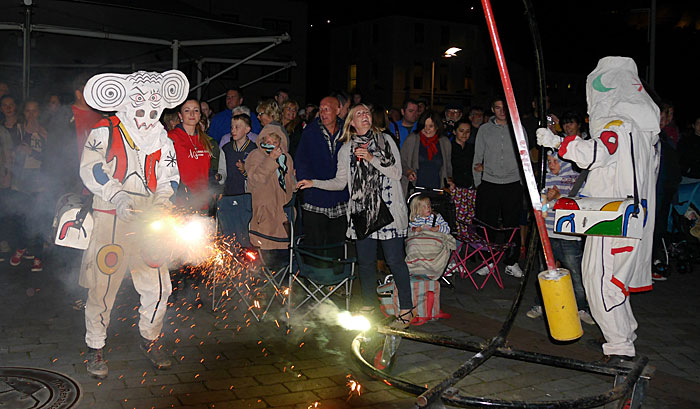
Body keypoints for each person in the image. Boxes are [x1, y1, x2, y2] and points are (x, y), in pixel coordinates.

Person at [537, 57, 659, 363]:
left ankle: (619, 347)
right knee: (613, 281)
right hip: (627, 218)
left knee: (599, 281)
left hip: (611, 219)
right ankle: (623, 333)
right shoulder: (645, 136)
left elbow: (596, 153)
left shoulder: (619, 126)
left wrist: (556, 141)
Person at [78, 70, 187, 378]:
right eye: (140, 106)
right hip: (110, 216)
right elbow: (92, 169)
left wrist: (161, 205)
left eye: (154, 108)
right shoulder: (105, 130)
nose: (146, 115)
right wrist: (119, 197)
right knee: (103, 284)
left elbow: (170, 178)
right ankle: (96, 345)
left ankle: (150, 338)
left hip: (147, 221)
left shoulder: (163, 139)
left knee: (159, 285)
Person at [297, 104, 415, 329]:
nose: (365, 116)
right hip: (362, 212)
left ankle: (406, 308)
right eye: (359, 114)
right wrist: (314, 183)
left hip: (388, 211)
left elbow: (396, 172)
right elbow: (340, 182)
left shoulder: (386, 141)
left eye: (367, 113)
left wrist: (371, 158)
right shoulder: (346, 149)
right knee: (366, 263)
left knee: (395, 261)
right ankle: (369, 305)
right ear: (351, 122)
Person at [526, 152, 594, 325]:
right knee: (545, 272)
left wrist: (558, 198)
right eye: (549, 161)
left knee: (576, 274)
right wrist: (547, 201)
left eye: (556, 161)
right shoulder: (546, 180)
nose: (552, 164)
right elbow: (542, 210)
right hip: (548, 234)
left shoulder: (576, 180)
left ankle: (581, 308)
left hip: (569, 236)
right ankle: (541, 304)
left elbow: (577, 205)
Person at [472, 96, 527, 278]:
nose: (501, 111)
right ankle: (489, 261)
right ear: (493, 109)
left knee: (512, 227)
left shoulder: (519, 129)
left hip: (512, 184)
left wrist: (521, 182)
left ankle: (511, 263)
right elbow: (477, 157)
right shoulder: (484, 130)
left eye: (504, 107)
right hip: (489, 183)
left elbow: (524, 156)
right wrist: (479, 182)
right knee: (487, 226)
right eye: (497, 107)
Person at [295, 96, 349, 251]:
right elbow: (301, 160)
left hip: (340, 198)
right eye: (321, 109)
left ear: (338, 110)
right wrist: (307, 185)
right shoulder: (310, 132)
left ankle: (337, 274)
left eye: (327, 109)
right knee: (315, 243)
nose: (323, 113)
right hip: (315, 197)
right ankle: (314, 274)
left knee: (336, 242)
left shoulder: (347, 132)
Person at [8, 100, 47, 272]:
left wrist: (34, 150)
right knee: (21, 217)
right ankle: (22, 246)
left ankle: (38, 255)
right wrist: (27, 136)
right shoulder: (18, 129)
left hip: (40, 181)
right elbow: (13, 151)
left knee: (38, 217)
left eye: (34, 111)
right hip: (21, 180)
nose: (31, 115)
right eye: (28, 111)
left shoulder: (45, 131)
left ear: (39, 112)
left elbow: (51, 157)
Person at [245, 131, 295, 266]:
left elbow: (289, 183)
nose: (271, 145)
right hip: (264, 211)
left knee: (283, 251)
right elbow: (256, 179)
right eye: (268, 142)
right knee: (264, 250)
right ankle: (263, 282)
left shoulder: (286, 158)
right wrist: (271, 159)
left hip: (282, 212)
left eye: (275, 142)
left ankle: (283, 282)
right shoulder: (255, 155)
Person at [168, 99, 213, 211]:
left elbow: (208, 170)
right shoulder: (171, 137)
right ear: (180, 115)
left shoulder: (204, 139)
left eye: (196, 110)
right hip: (181, 201)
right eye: (187, 110)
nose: (192, 114)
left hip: (203, 199)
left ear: (200, 115)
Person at [400, 110, 453, 193]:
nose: (427, 129)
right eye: (424, 126)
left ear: (437, 127)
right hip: (416, 189)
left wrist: (449, 180)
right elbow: (401, 161)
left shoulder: (444, 142)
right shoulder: (412, 139)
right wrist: (408, 172)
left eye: (430, 126)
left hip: (437, 189)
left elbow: (448, 167)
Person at [218, 113, 256, 196]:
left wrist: (245, 170)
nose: (233, 130)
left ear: (247, 129)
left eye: (237, 127)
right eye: (232, 127)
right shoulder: (226, 148)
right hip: (228, 194)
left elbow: (258, 175)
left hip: (247, 194)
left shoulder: (254, 150)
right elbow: (222, 170)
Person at [451, 119, 475, 188]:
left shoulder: (472, 148)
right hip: (453, 186)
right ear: (454, 132)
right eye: (461, 131)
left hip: (469, 187)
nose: (464, 134)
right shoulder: (449, 147)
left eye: (468, 131)